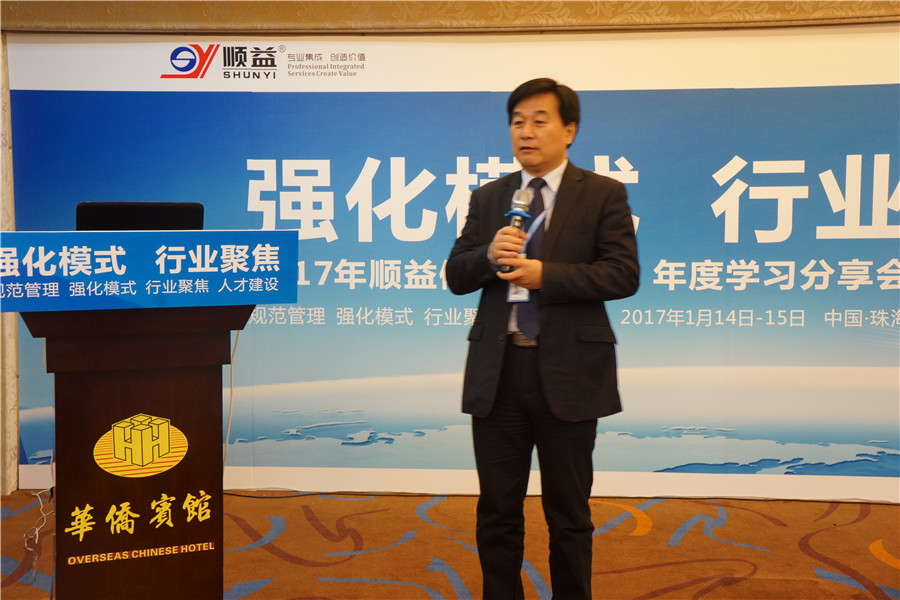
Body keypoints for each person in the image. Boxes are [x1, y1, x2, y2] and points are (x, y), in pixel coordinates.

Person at [445, 78, 640, 599]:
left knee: (569, 514)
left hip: (570, 374)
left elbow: (623, 274)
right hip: (499, 374)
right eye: (517, 122)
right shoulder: (490, 197)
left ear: (569, 130)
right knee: (497, 512)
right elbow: (456, 275)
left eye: (539, 121)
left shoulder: (602, 194)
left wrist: (544, 275)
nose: (525, 132)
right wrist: (489, 255)